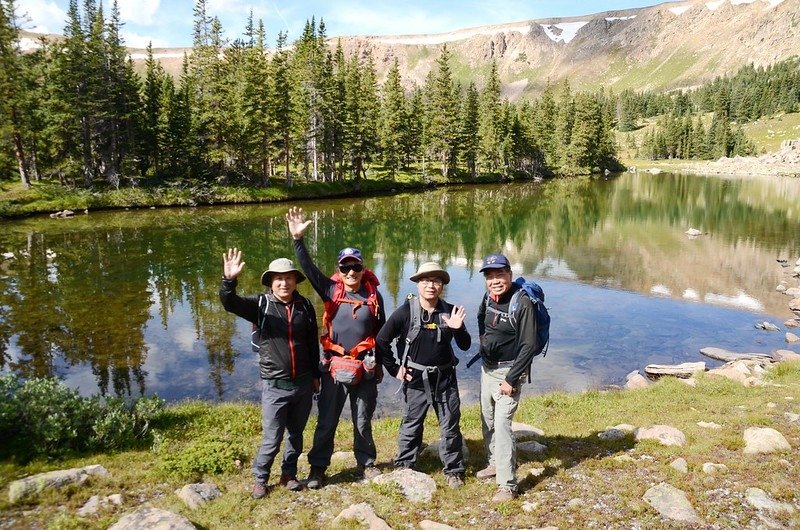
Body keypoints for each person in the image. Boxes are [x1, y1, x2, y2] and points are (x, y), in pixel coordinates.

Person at [285, 206, 386, 488]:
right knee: (327, 421)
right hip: (334, 367)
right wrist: (297, 240)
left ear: (363, 268)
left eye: (356, 266)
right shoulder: (331, 289)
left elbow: (383, 331)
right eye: (345, 267)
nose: (351, 271)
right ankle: (318, 468)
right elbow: (307, 268)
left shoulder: (374, 295)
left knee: (363, 420)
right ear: (339, 270)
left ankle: (366, 463)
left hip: (365, 367)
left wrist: (383, 365)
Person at [219, 249, 321, 499]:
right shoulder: (260, 305)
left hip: (303, 384)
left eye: (288, 277)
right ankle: (261, 478)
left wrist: (316, 375)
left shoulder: (305, 306)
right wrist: (229, 281)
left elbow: (311, 343)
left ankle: (289, 474)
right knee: (272, 437)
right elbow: (229, 303)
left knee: (296, 435)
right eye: (278, 278)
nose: (284, 282)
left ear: (296, 281)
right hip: (275, 385)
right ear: (270, 282)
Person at [376, 262, 471, 489]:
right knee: (411, 423)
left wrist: (458, 328)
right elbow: (381, 341)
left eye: (436, 281)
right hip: (415, 380)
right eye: (426, 280)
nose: (431, 285)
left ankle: (454, 470)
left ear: (442, 286)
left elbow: (466, 345)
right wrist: (394, 368)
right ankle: (405, 464)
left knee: (450, 426)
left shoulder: (450, 311)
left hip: (445, 380)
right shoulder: (405, 312)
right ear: (418, 283)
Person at [475, 253, 538, 502]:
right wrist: (483, 344)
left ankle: (508, 485)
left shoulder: (521, 303)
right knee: (487, 419)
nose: (495, 280)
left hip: (509, 373)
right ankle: (494, 463)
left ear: (509, 275)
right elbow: (482, 319)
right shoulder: (488, 298)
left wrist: (511, 379)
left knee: (501, 425)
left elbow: (529, 345)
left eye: (500, 274)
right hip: (486, 369)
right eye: (490, 276)